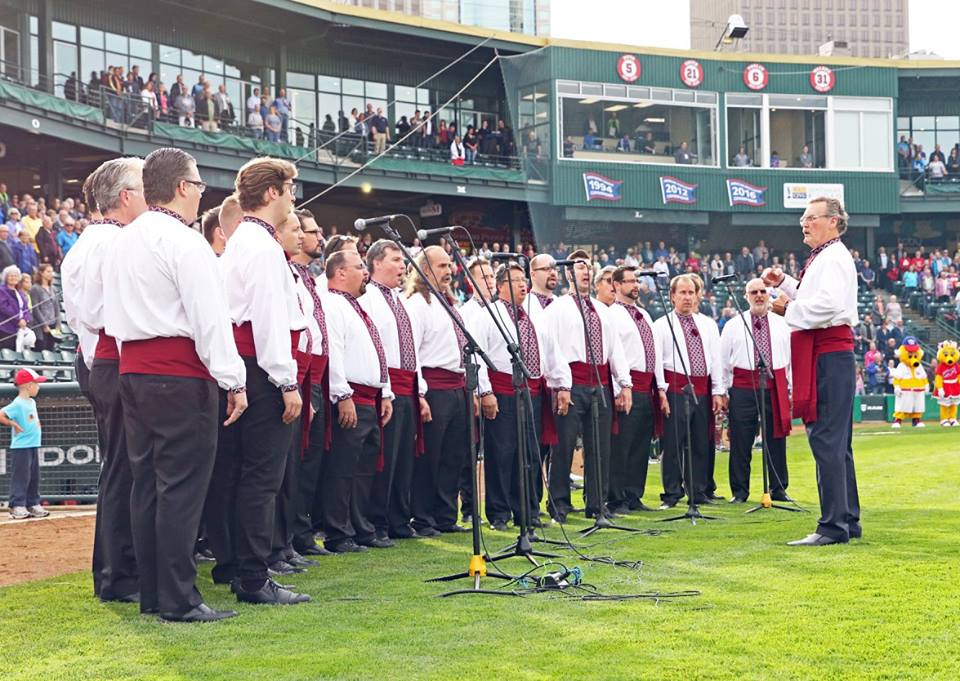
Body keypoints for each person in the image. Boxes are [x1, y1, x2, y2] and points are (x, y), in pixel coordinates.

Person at [102, 148, 248, 622]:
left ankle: (154, 594)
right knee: (182, 489)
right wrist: (233, 379)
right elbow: (210, 320)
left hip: (134, 371)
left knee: (147, 486)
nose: (202, 192)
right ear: (183, 187)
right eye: (200, 185)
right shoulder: (186, 243)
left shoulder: (122, 239)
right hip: (179, 373)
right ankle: (180, 599)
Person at [206, 157, 310, 605]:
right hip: (261, 369)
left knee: (234, 473)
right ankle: (252, 577)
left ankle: (234, 565)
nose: (293, 197)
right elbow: (268, 320)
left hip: (242, 367)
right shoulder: (263, 246)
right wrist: (286, 382)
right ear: (272, 193)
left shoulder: (242, 241)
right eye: (289, 189)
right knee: (261, 477)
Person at [65, 158, 148, 603]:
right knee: (123, 468)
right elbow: (104, 314)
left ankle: (119, 570)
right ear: (123, 197)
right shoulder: (110, 243)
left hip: (100, 358)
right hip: (111, 359)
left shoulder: (94, 241)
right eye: (142, 187)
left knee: (121, 467)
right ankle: (119, 574)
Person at [762, 197, 861, 546]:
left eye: (811, 218)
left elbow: (828, 305)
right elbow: (817, 297)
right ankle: (847, 518)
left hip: (827, 352)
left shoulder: (832, 257)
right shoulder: (830, 256)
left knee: (826, 439)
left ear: (833, 221)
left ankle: (833, 526)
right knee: (837, 442)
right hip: (831, 352)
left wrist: (787, 306)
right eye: (803, 219)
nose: (804, 224)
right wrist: (787, 282)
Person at [542, 250, 632, 522]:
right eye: (579, 266)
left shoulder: (603, 310)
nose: (585, 271)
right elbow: (550, 348)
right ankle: (558, 504)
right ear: (569, 272)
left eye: (588, 267)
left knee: (599, 447)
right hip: (571, 381)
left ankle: (597, 503)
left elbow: (615, 349)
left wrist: (623, 383)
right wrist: (558, 385)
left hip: (600, 384)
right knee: (564, 445)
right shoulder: (557, 308)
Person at [474, 262, 557, 530]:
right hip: (502, 391)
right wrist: (485, 392)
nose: (523, 285)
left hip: (531, 391)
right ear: (500, 287)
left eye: (524, 280)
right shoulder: (490, 314)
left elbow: (547, 351)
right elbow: (478, 355)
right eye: (516, 281)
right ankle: (499, 513)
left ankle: (528, 511)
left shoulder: (531, 314)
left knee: (530, 454)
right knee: (502, 453)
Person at [321, 249, 394, 551]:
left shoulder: (354, 307)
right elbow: (334, 351)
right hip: (352, 394)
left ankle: (359, 527)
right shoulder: (334, 305)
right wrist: (342, 394)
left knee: (363, 469)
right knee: (343, 468)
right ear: (340, 273)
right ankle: (338, 533)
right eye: (358, 267)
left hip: (370, 396)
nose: (365, 272)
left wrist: (384, 391)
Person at [360, 239, 427, 540]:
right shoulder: (368, 298)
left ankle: (400, 519)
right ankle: (378, 522)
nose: (403, 266)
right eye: (396, 260)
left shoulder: (401, 300)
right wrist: (385, 388)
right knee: (383, 458)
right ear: (376, 262)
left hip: (408, 384)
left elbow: (412, 348)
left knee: (404, 458)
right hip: (387, 384)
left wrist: (420, 391)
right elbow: (375, 347)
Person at [404, 245, 470, 535]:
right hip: (434, 386)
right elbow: (413, 353)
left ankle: (446, 516)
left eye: (450, 265)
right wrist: (419, 394)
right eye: (442, 266)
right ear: (425, 269)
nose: (449, 270)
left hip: (457, 385)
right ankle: (423, 517)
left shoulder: (449, 303)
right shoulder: (418, 304)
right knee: (430, 456)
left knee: (453, 456)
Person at [653, 274, 725, 509]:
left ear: (697, 296)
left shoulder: (707, 324)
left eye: (690, 293)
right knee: (674, 442)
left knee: (700, 442)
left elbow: (716, 359)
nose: (687, 297)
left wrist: (717, 390)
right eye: (682, 293)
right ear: (672, 296)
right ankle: (672, 493)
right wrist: (661, 391)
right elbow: (657, 363)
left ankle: (699, 491)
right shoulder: (662, 325)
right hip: (675, 387)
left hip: (702, 387)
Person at [719, 279, 792, 504]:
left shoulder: (782, 324)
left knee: (776, 438)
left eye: (762, 291)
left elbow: (790, 359)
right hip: (743, 384)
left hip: (774, 383)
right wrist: (722, 389)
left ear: (769, 294)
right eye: (754, 292)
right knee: (741, 439)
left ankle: (778, 489)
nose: (759, 295)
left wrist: (789, 387)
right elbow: (722, 361)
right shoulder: (733, 325)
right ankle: (740, 491)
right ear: (746, 295)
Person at [286, 208, 332, 556]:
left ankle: (299, 534)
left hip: (315, 373)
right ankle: (290, 536)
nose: (319, 238)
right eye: (313, 232)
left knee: (310, 460)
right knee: (294, 462)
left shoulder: (310, 278)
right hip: (298, 373)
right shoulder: (290, 274)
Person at [606, 266, 666, 513]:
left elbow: (655, 352)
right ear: (616, 285)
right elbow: (612, 354)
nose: (635, 285)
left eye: (636, 280)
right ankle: (617, 498)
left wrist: (660, 387)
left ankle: (634, 495)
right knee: (622, 445)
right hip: (627, 385)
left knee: (641, 444)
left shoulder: (644, 313)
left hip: (647, 385)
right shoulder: (611, 314)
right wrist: (618, 387)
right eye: (630, 281)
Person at [1, 368, 50, 520]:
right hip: (21, 447)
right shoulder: (18, 403)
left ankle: (32, 503)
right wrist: (12, 424)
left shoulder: (31, 402)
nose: (38, 387)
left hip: (33, 444)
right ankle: (17, 505)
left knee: (34, 476)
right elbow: (1, 414)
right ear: (29, 385)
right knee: (21, 476)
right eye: (36, 384)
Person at [30, 264, 59, 352]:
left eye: (52, 272)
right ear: (41, 273)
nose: (51, 274)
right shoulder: (35, 288)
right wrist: (44, 325)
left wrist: (58, 324)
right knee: (41, 347)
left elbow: (56, 307)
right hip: (40, 326)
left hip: (53, 324)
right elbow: (36, 309)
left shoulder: (53, 288)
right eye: (48, 271)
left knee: (51, 348)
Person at [0, 265, 30, 351]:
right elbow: (4, 308)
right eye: (11, 275)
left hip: (18, 330)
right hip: (5, 329)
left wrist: (25, 319)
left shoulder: (20, 293)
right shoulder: (1, 291)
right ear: (6, 277)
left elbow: (26, 309)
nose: (13, 278)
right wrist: (18, 320)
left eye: (15, 275)